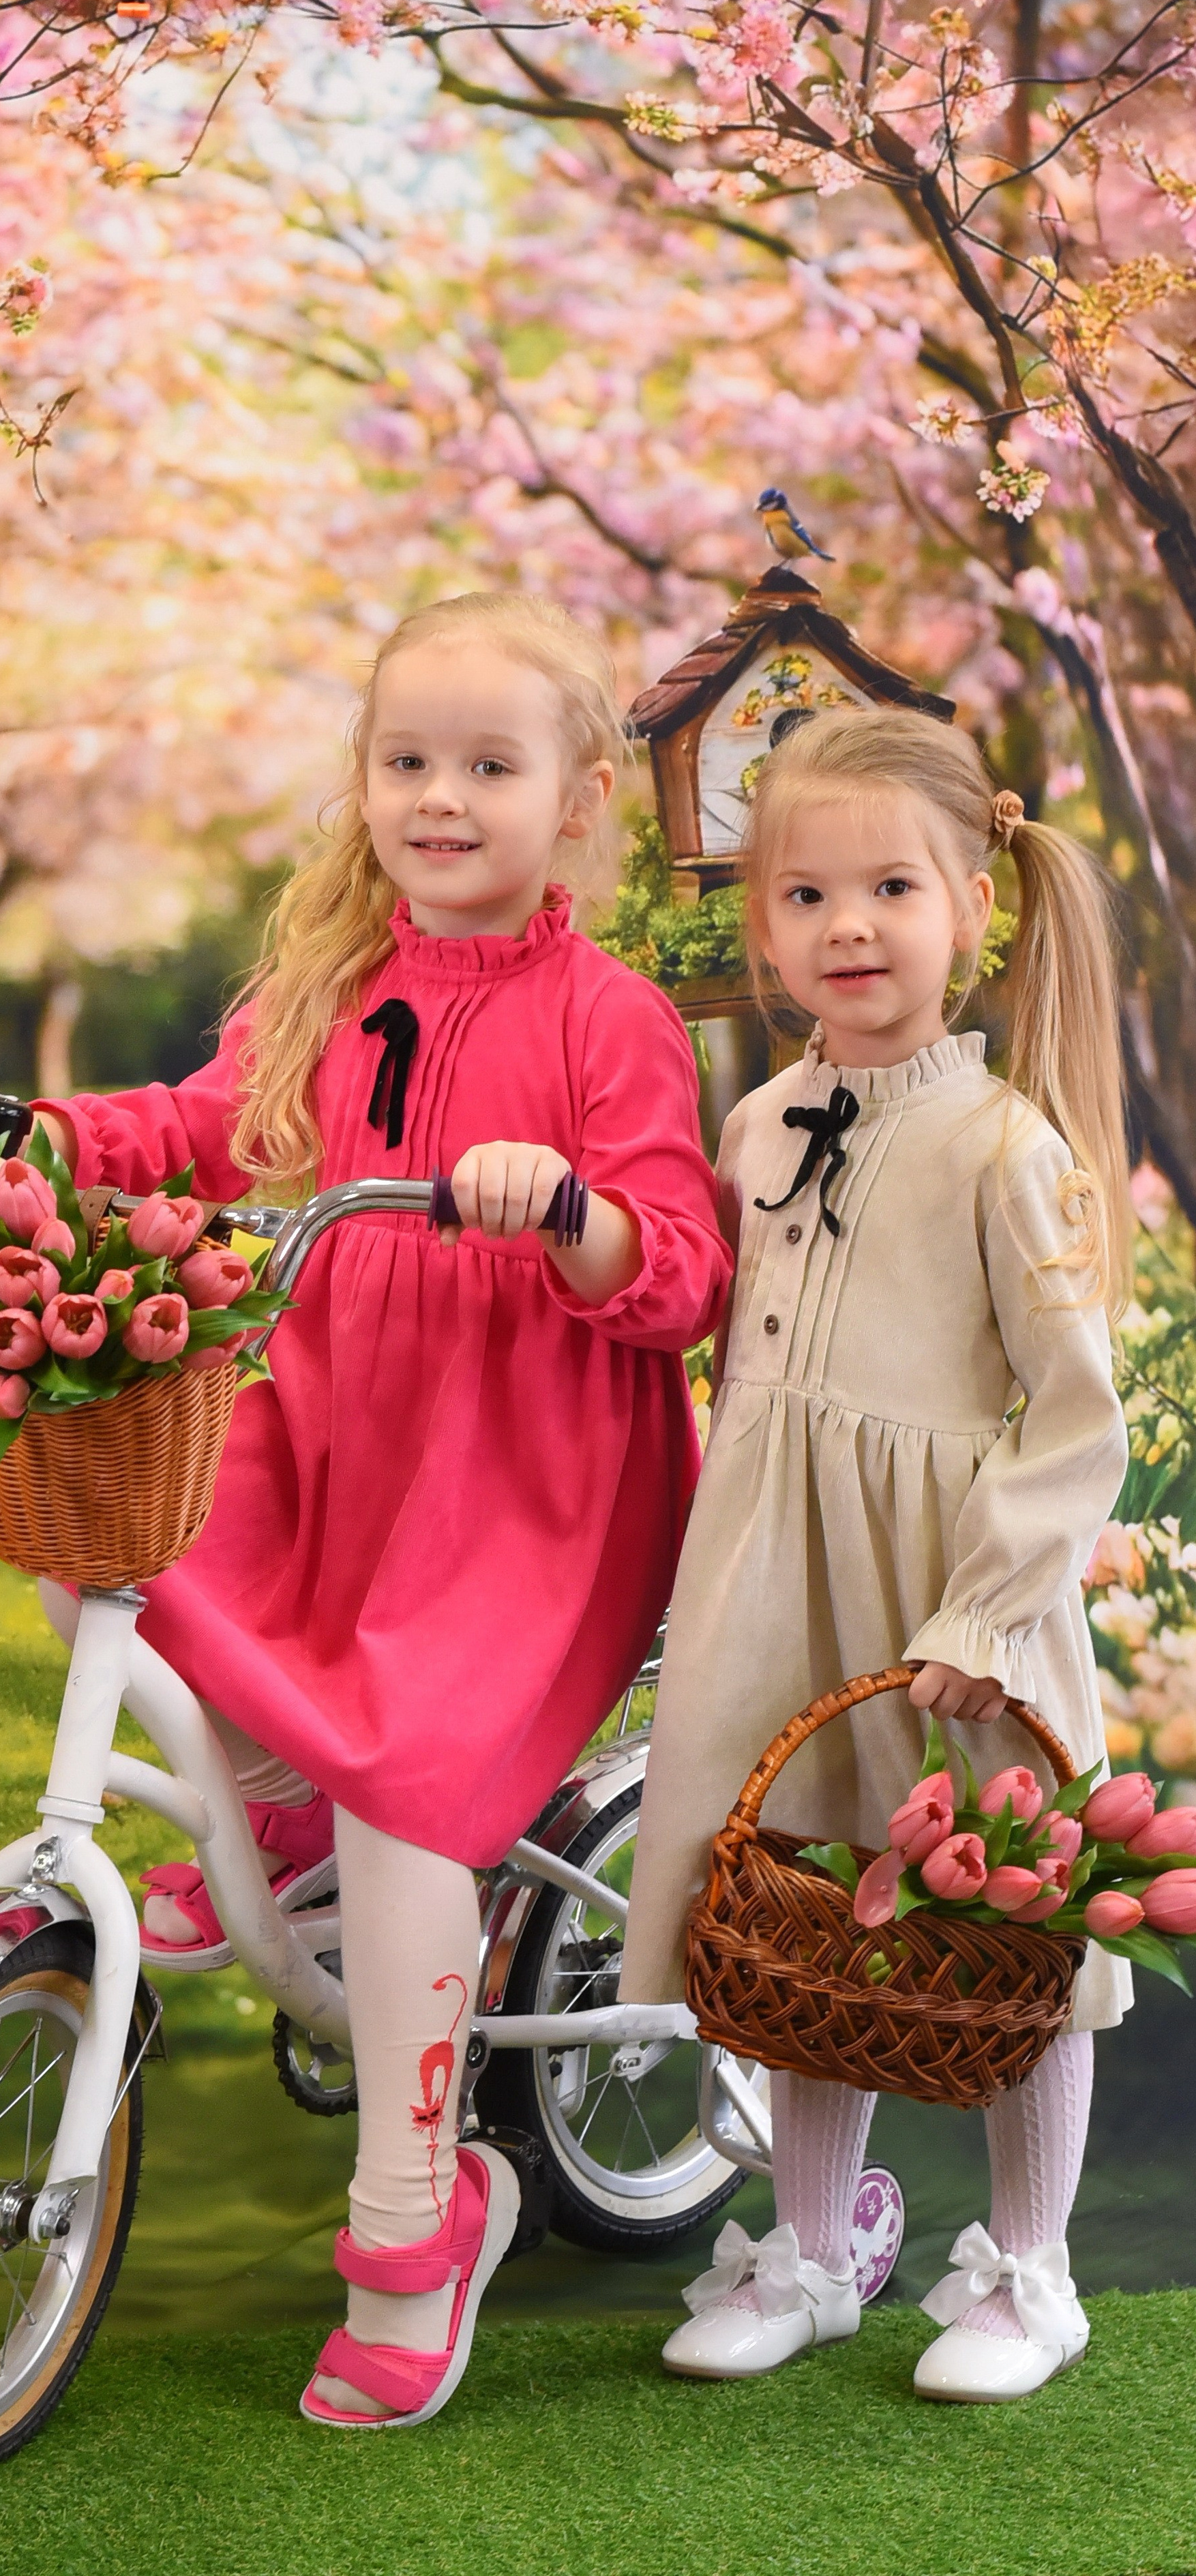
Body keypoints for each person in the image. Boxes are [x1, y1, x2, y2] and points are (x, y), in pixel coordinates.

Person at [3, 590, 730, 2425]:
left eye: (491, 765)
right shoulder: (330, 987)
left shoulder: (608, 1013)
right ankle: (285, 1816)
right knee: (127, 1556)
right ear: (365, 780)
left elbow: (679, 1259)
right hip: (342, 1429)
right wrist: (28, 1138)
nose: (442, 796)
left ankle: (418, 2213)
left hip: (529, 1476)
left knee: (411, 1774)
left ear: (576, 800)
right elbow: (197, 1118)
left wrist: (564, 1204)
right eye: (408, 759)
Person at [618, 705, 1131, 2403]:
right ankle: (818, 2246)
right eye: (807, 895)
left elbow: (1074, 1412)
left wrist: (983, 1609)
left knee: (1016, 1932)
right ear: (761, 926)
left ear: (970, 907)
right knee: (803, 1920)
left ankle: (1032, 2272)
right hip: (787, 1591)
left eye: (891, 887)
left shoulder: (1006, 1149)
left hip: (945, 1601)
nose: (848, 926)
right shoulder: (760, 1122)